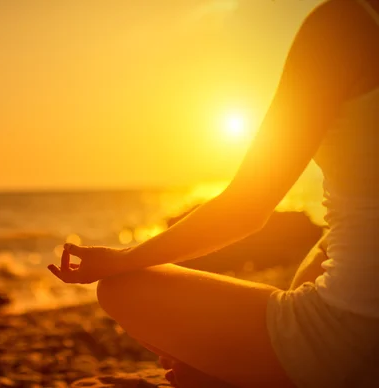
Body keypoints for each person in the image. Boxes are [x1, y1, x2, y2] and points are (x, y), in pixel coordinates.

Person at [48, 0, 379, 386]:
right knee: (326, 245)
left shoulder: (342, 25)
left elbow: (247, 206)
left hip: (355, 340)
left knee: (122, 290)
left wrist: (121, 260)